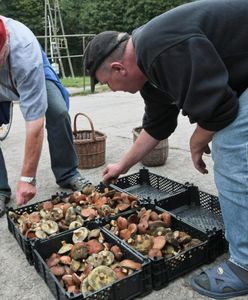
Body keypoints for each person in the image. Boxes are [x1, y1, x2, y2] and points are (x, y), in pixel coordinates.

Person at [84, 0, 248, 298]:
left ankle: (244, 265)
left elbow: (220, 109)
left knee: (231, 148)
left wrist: (196, 142)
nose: (112, 91)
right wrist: (122, 165)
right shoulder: (150, 72)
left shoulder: (157, 46)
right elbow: (157, 127)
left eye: (108, 83)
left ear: (119, 68)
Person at [0, 15, 89, 217]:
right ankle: (0, 189)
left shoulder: (23, 48)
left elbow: (35, 123)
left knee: (57, 111)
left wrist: (27, 178)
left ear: (5, 44)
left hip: (25, 68)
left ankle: (68, 173)